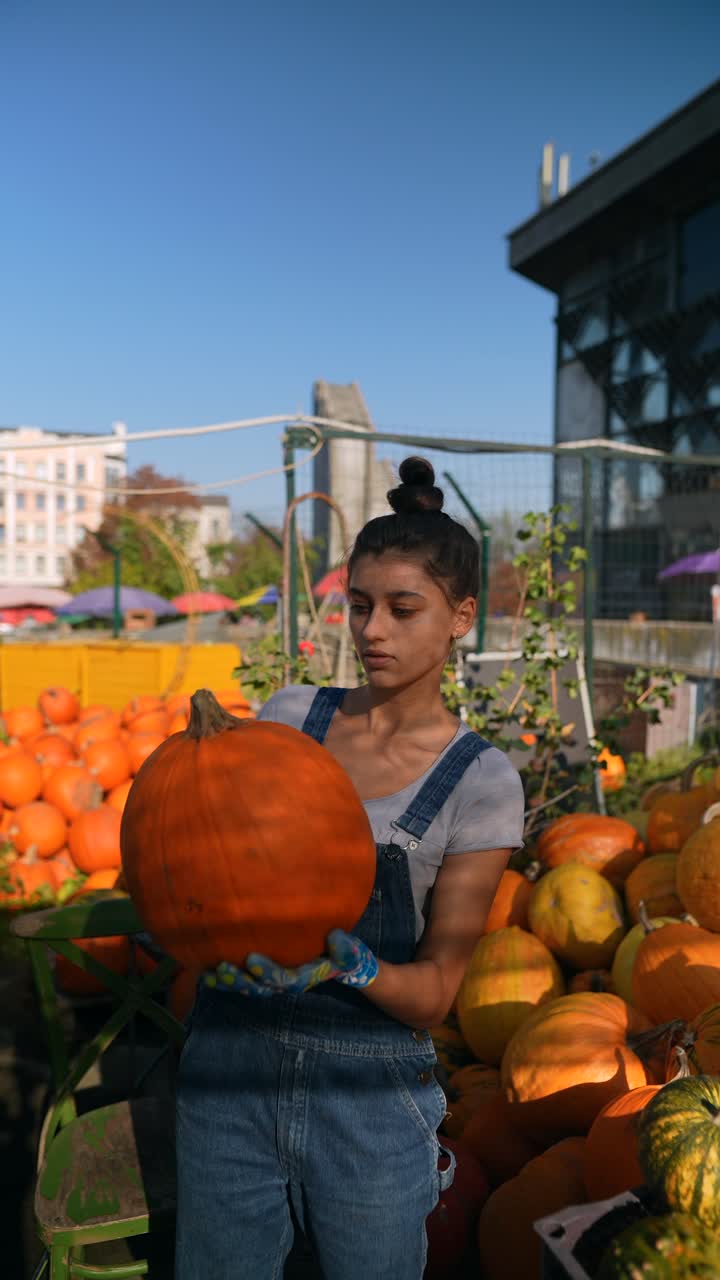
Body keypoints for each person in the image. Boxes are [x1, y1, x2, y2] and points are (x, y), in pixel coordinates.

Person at [175, 457, 525, 1280]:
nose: (371, 631)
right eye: (359, 605)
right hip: (228, 1071)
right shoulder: (291, 718)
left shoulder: (481, 782)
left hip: (370, 1099)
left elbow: (436, 991)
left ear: (461, 617)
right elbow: (209, 862)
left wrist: (354, 965)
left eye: (403, 609)